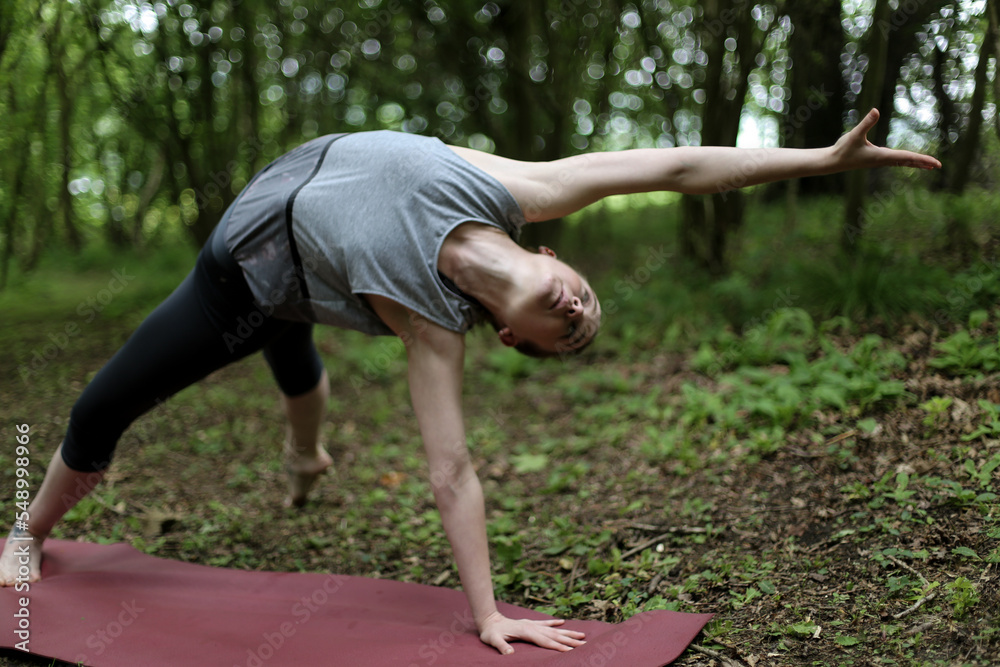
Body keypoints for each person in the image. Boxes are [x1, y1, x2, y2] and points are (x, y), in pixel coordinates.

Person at [1, 108, 939, 655]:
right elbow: (685, 165)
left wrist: (490, 614)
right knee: (163, 394)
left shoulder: (430, 325)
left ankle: (43, 527)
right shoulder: (521, 187)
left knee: (227, 367)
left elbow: (452, 472)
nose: (578, 312)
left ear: (512, 335)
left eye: (569, 334)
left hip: (248, 281)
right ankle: (284, 464)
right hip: (265, 223)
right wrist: (821, 158)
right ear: (555, 256)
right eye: (587, 302)